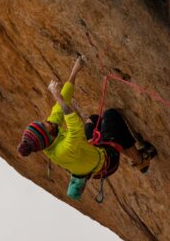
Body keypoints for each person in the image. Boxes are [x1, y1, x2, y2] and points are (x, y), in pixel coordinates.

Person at [16, 57, 155, 199]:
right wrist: (57, 97)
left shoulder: (48, 135)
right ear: (48, 133)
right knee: (111, 115)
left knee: (94, 120)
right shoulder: (61, 152)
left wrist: (75, 71)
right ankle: (141, 160)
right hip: (107, 161)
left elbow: (60, 106)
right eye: (43, 124)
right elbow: (75, 126)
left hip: (90, 151)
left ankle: (129, 152)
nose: (45, 121)